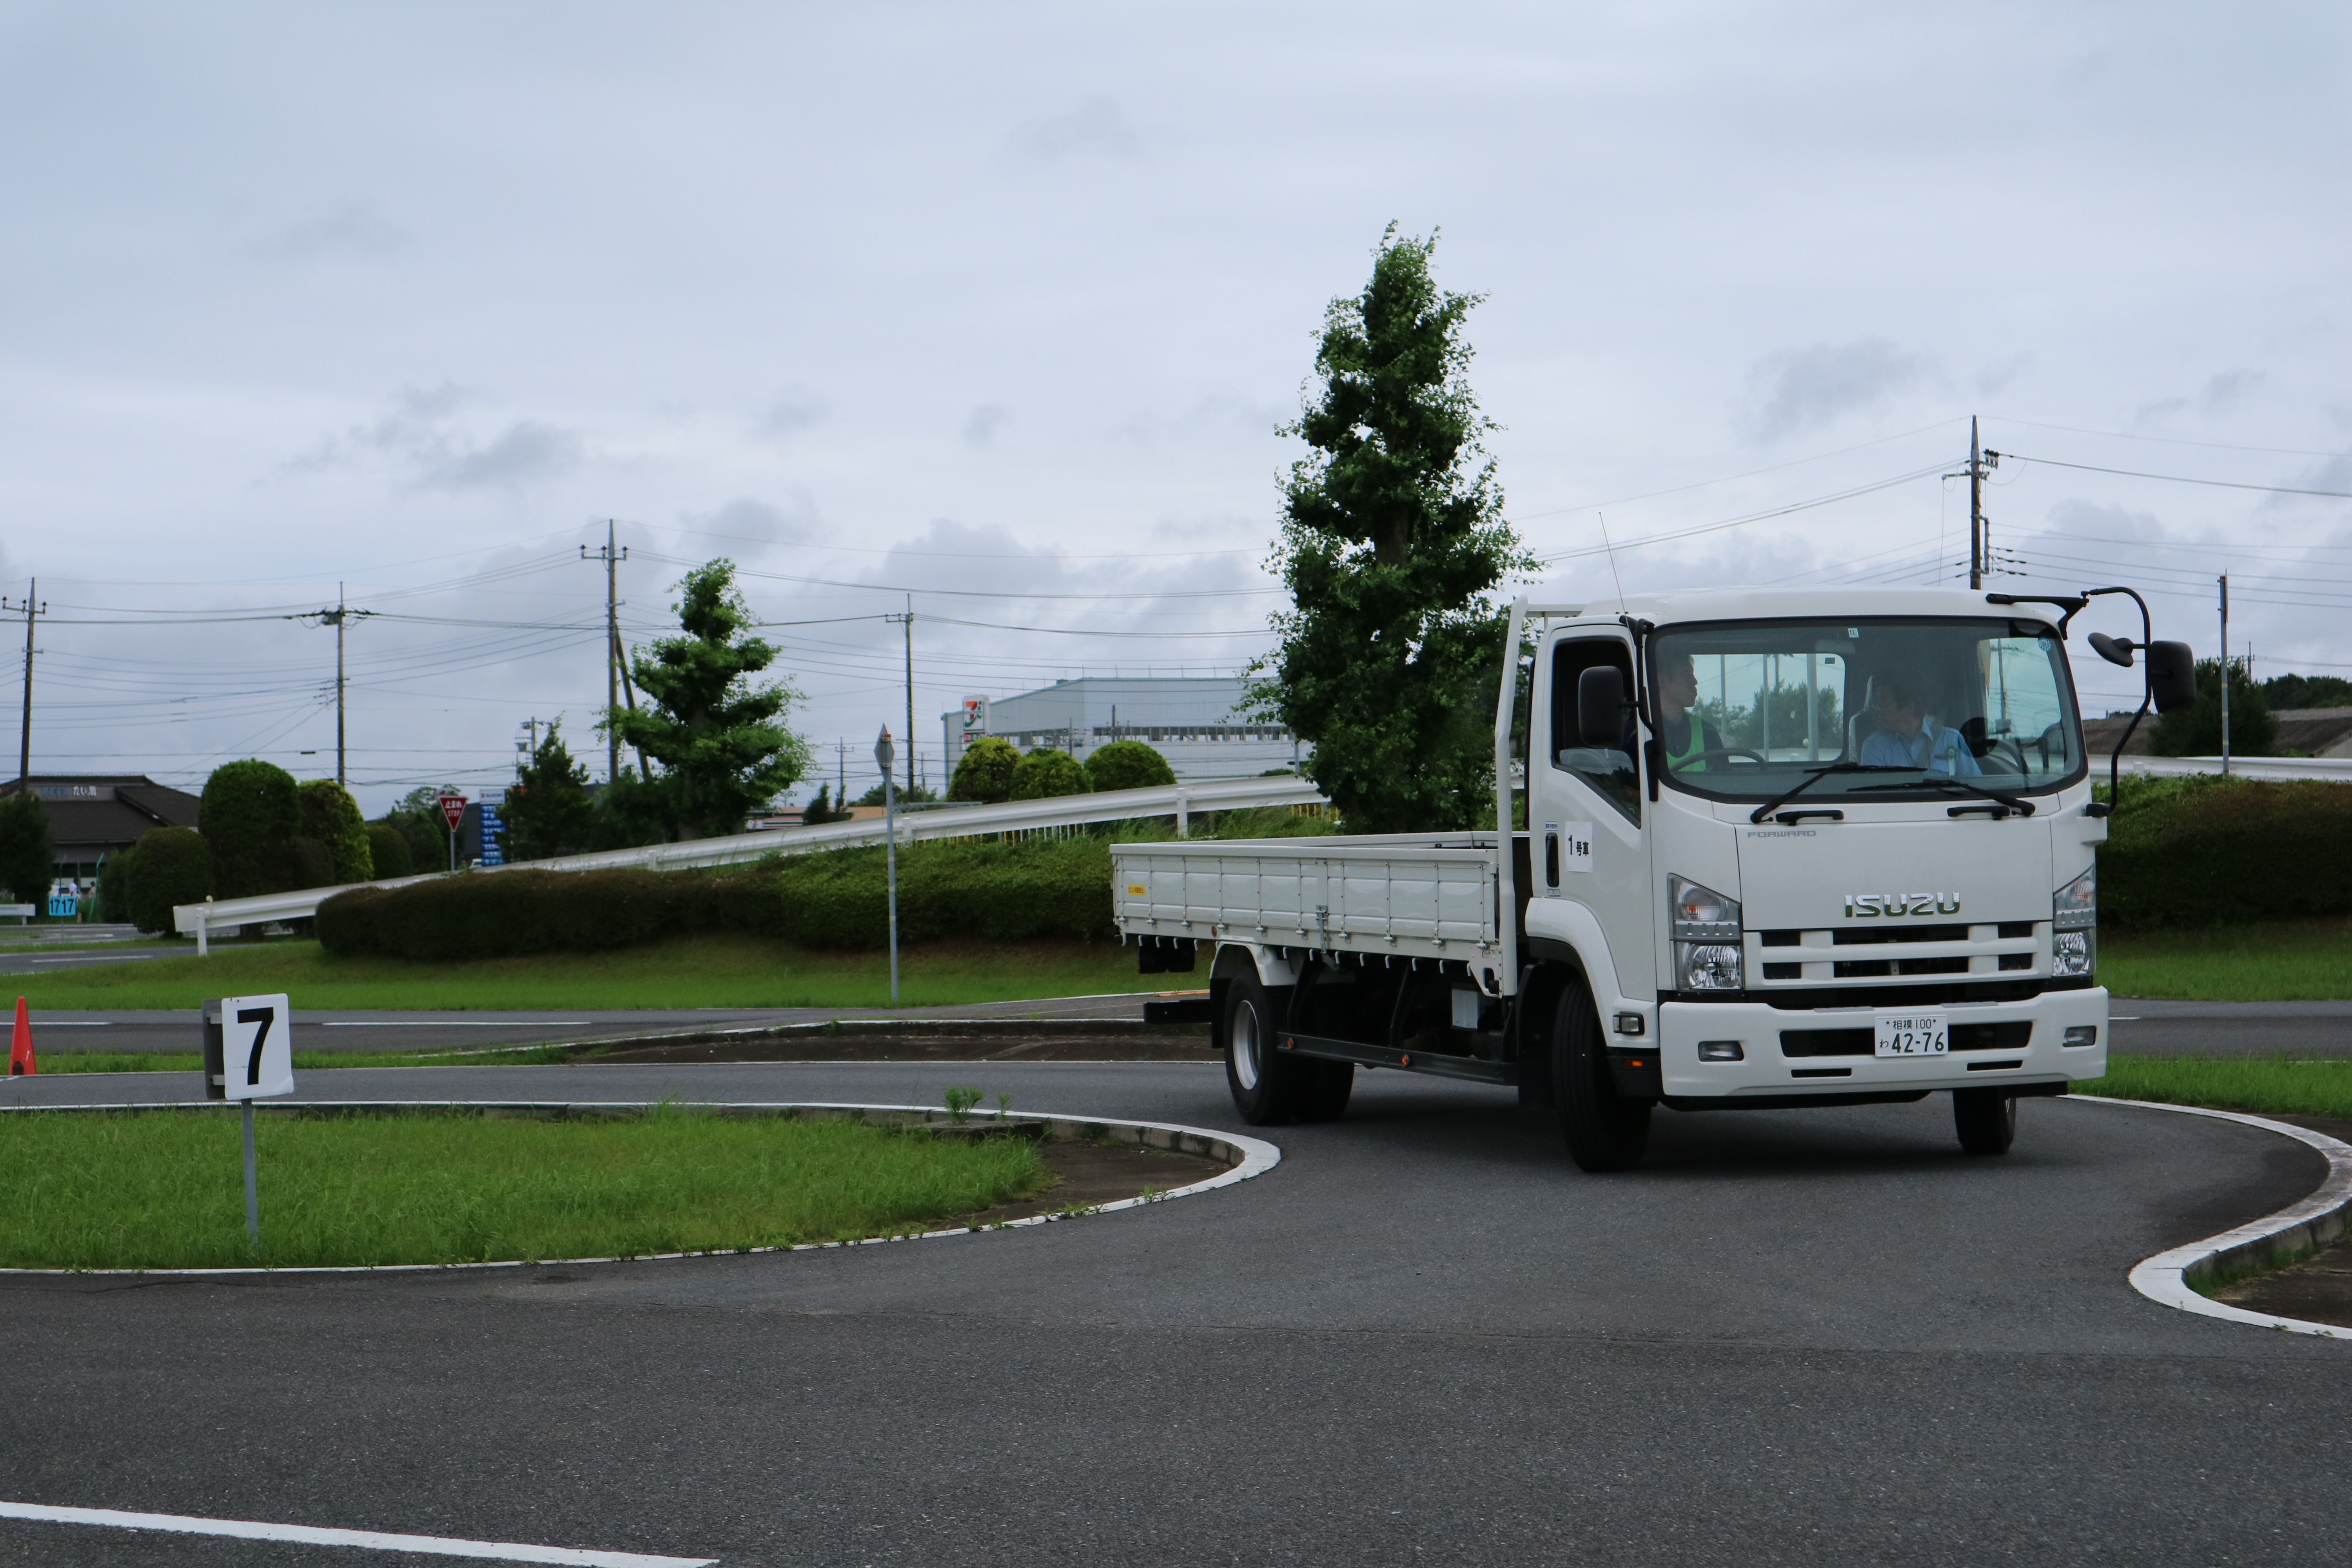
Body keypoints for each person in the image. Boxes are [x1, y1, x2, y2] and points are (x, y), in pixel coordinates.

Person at [1860, 670, 1980, 776]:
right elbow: (1876, 798)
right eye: (1877, 704)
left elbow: (1976, 789)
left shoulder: (1952, 741)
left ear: (1910, 707)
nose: (1878, 711)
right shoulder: (1875, 746)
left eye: (1883, 704)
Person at [1630, 651, 1718, 773]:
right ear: (1662, 680)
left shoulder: (1708, 733)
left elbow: (1726, 786)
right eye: (1686, 675)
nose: (1695, 681)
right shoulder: (1636, 734)